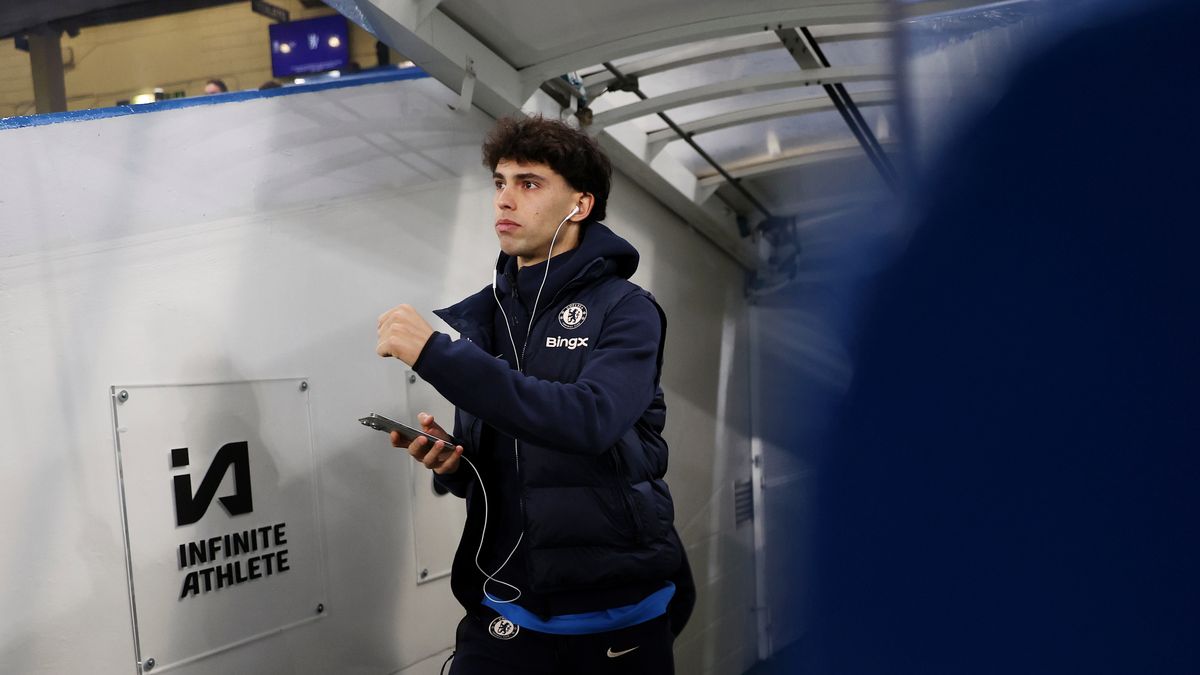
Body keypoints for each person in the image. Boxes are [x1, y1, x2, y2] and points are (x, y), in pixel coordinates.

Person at [376, 115, 693, 674]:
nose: (505, 199)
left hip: (614, 619)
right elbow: (510, 453)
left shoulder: (627, 310)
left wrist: (435, 355)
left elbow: (590, 421)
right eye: (500, 182)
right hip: (502, 612)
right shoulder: (486, 316)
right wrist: (452, 464)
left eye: (529, 183)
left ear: (581, 205)